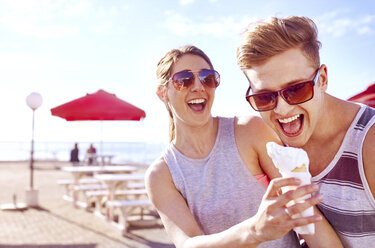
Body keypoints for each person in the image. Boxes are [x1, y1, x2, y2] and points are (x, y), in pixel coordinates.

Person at [145, 45, 342, 247]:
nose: (198, 87)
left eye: (207, 78)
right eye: (184, 80)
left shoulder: (250, 131)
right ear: (163, 93)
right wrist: (254, 231)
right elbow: (188, 244)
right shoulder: (161, 175)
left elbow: (306, 214)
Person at [237, 16, 375, 247]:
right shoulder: (276, 143)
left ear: (322, 79)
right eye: (264, 97)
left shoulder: (369, 144)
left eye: (297, 89)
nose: (282, 109)